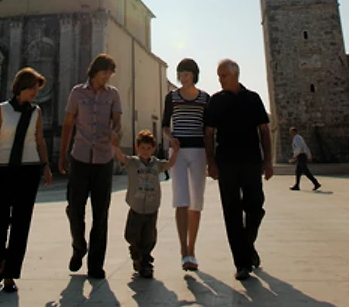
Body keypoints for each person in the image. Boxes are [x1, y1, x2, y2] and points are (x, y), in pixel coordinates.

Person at [0, 67, 53, 293]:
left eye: (36, 90)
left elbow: (39, 140)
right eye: (32, 89)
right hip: (2, 168)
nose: (35, 93)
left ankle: (10, 274)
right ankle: (0, 260)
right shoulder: (1, 110)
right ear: (21, 87)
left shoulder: (36, 112)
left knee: (21, 223)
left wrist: (46, 166)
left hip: (28, 170)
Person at [204, 58, 273, 282]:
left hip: (251, 161)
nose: (220, 79)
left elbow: (264, 130)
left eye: (223, 75)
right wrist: (211, 162)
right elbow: (209, 134)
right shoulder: (216, 101)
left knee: (255, 207)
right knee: (232, 213)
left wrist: (268, 160)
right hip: (226, 163)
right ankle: (242, 264)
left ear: (235, 75)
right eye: (219, 76)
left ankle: (247, 245)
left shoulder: (253, 99)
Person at [59, 53, 122, 279]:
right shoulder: (77, 93)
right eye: (105, 72)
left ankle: (96, 265)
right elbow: (68, 124)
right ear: (95, 71)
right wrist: (62, 154)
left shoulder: (113, 94)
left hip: (103, 159)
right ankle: (79, 246)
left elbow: (117, 122)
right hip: (80, 157)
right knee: (74, 209)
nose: (107, 77)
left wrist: (115, 133)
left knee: (101, 214)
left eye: (110, 74)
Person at [162, 58, 209, 271]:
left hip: (199, 151)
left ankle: (192, 249)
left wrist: (211, 157)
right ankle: (183, 251)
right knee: (181, 198)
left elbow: (208, 128)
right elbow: (165, 124)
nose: (183, 77)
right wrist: (171, 138)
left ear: (194, 74)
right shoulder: (171, 97)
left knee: (196, 201)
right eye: (180, 74)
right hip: (178, 151)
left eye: (187, 73)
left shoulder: (205, 98)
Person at [112, 129, 179, 278]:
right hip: (136, 207)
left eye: (148, 148)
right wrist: (115, 146)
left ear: (153, 149)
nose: (145, 151)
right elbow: (122, 158)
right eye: (142, 148)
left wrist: (175, 151)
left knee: (149, 237)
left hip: (151, 207)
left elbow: (170, 164)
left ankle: (146, 261)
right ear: (137, 148)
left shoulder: (156, 164)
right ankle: (136, 253)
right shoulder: (133, 163)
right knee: (132, 234)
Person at [289, 127, 321, 191]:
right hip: (302, 156)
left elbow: (299, 148)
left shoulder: (297, 138)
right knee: (298, 171)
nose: (290, 133)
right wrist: (309, 155)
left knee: (305, 171)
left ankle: (316, 183)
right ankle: (297, 185)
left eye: (291, 132)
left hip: (301, 156)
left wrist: (295, 156)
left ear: (294, 132)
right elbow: (305, 147)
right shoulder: (299, 138)